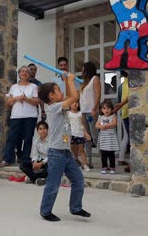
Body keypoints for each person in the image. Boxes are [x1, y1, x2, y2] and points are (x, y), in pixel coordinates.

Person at [38, 72, 91, 222]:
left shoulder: (60, 106)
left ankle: (75, 208)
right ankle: (45, 211)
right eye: (58, 90)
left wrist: (68, 82)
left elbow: (69, 96)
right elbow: (74, 98)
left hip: (66, 153)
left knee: (78, 180)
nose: (61, 92)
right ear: (51, 96)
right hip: (56, 154)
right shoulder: (53, 108)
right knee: (53, 185)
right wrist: (70, 80)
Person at [0, 66, 40, 167]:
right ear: (19, 74)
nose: (24, 73)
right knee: (12, 137)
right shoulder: (14, 87)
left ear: (29, 74)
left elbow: (37, 101)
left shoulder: (33, 86)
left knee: (28, 138)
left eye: (27, 71)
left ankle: (25, 159)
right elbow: (8, 104)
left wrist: (26, 99)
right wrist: (17, 98)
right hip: (16, 116)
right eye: (22, 71)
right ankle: (8, 159)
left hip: (30, 116)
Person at [79, 62, 101, 168]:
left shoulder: (95, 79)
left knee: (95, 135)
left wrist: (95, 108)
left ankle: (104, 158)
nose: (82, 71)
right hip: (83, 112)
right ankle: (88, 161)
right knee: (86, 137)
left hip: (91, 112)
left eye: (83, 69)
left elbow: (98, 94)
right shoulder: (84, 83)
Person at [19, 121, 49, 185]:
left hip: (47, 161)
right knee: (22, 165)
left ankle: (33, 178)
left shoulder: (51, 141)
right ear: (37, 131)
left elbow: (52, 156)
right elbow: (35, 154)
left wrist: (42, 163)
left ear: (47, 130)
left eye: (44, 128)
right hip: (39, 161)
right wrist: (34, 162)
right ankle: (37, 179)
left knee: (50, 167)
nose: (42, 131)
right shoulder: (36, 141)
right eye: (40, 129)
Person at [96, 100, 119, 174]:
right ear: (101, 110)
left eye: (108, 108)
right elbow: (96, 125)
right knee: (104, 154)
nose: (106, 110)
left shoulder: (113, 116)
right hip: (104, 139)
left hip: (111, 139)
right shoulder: (100, 117)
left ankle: (112, 167)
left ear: (111, 109)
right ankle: (104, 167)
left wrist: (106, 125)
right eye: (104, 108)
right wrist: (101, 126)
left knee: (111, 154)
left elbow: (114, 123)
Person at [68, 101, 91, 172]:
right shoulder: (67, 113)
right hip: (71, 134)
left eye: (77, 102)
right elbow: (65, 125)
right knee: (71, 150)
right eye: (73, 102)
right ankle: (71, 165)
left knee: (81, 150)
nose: (75, 104)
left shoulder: (80, 113)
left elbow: (83, 125)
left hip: (79, 134)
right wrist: (65, 136)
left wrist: (86, 134)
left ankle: (85, 165)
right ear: (69, 104)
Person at [114, 70, 130, 167]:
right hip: (130, 113)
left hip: (124, 113)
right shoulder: (132, 84)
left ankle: (121, 158)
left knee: (126, 136)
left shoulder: (121, 86)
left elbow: (117, 101)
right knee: (131, 137)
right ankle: (128, 160)